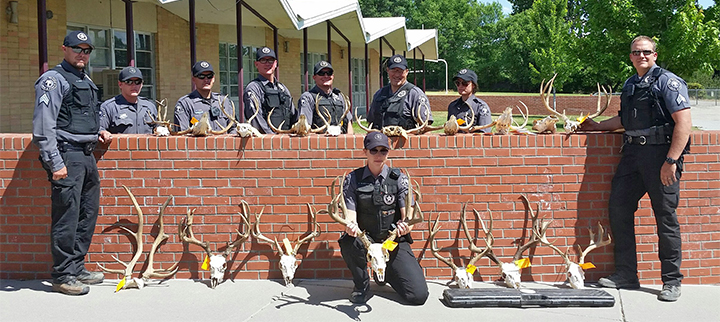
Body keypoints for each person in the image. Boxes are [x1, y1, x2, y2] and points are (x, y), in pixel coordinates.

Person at [578, 35, 691, 302]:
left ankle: (671, 280)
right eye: (636, 52)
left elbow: (683, 123)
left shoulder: (668, 82)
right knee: (618, 208)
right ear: (630, 56)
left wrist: (671, 162)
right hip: (632, 155)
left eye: (647, 52)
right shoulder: (630, 84)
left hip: (661, 156)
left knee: (665, 219)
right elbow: (624, 119)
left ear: (655, 54)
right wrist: (597, 126)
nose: (641, 56)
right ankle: (627, 274)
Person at [32, 30, 112, 295]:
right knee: (66, 216)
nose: (82, 54)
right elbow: (44, 127)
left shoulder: (84, 78)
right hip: (67, 155)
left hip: (86, 154)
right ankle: (63, 274)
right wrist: (55, 162)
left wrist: (99, 129)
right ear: (64, 48)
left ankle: (77, 267)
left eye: (87, 50)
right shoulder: (53, 80)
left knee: (87, 213)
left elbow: (88, 112)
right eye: (77, 48)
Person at [338, 132, 429, 305]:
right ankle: (361, 286)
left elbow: (408, 217)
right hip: (365, 241)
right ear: (365, 151)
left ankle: (385, 272)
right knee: (349, 243)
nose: (379, 155)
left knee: (417, 296)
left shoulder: (399, 179)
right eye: (374, 151)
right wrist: (350, 227)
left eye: (383, 151)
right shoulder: (352, 179)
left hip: (391, 241)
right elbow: (350, 217)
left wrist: (406, 226)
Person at [366, 54, 433, 129]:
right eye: (393, 70)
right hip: (381, 139)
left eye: (400, 71)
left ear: (407, 72)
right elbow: (371, 123)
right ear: (387, 70)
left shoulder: (415, 95)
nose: (397, 75)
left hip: (406, 140)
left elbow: (426, 127)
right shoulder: (379, 94)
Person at [243, 46, 298, 134]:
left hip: (287, 140)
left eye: (271, 60)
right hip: (267, 142)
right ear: (256, 64)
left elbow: (293, 115)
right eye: (263, 60)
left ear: (275, 63)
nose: (267, 64)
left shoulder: (282, 88)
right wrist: (273, 139)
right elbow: (257, 120)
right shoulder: (254, 88)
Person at [174, 60, 235, 133]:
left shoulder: (224, 101)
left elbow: (233, 129)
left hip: (224, 143)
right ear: (193, 79)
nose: (206, 80)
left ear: (213, 78)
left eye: (209, 76)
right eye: (201, 76)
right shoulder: (185, 104)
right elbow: (182, 134)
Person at [298, 61, 353, 134]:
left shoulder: (339, 97)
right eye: (321, 73)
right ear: (314, 77)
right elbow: (305, 128)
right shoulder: (308, 97)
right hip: (319, 143)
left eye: (329, 73)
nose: (326, 76)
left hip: (341, 142)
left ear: (333, 76)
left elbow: (349, 124)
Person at [99, 66, 158, 134]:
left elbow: (157, 130)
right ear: (120, 84)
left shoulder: (150, 106)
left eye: (138, 82)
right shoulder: (109, 107)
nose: (134, 86)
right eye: (129, 82)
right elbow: (100, 129)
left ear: (142, 84)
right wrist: (103, 133)